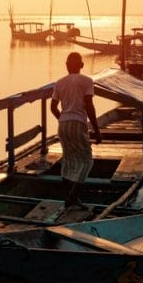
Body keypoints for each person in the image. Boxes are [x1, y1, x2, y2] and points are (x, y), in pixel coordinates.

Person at [50, 52, 102, 209]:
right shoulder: (87, 81)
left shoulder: (59, 83)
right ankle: (72, 197)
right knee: (87, 161)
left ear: (66, 66)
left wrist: (64, 119)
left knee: (68, 159)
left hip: (63, 123)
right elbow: (88, 105)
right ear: (82, 65)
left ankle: (70, 196)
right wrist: (97, 130)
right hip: (78, 123)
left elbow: (53, 107)